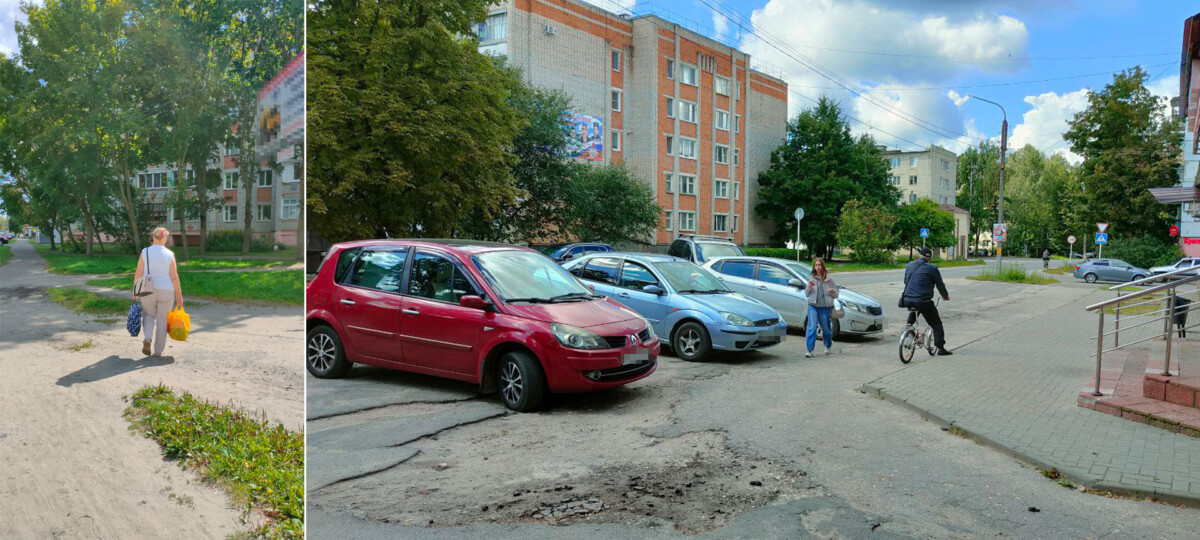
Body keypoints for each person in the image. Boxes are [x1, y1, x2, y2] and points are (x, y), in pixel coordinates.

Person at [132, 227, 184, 357]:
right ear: (165, 239)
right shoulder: (170, 254)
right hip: (166, 290)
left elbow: (138, 273)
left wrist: (135, 291)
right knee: (162, 319)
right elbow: (174, 277)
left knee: (148, 315)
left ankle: (148, 338)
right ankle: (158, 351)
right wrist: (179, 297)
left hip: (147, 289)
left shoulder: (145, 252)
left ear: (153, 238)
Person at [902, 247, 952, 356]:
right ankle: (941, 348)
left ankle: (908, 329)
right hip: (923, 300)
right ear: (929, 258)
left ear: (919, 256)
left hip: (907, 298)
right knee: (936, 323)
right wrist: (945, 296)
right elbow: (940, 284)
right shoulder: (932, 268)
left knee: (916, 308)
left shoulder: (910, 265)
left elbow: (905, 281)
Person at [804, 257, 838, 358]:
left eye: (819, 265)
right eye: (816, 265)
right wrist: (809, 287)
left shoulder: (829, 279)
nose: (818, 267)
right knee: (812, 327)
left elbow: (837, 295)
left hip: (825, 307)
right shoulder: (811, 278)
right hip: (813, 306)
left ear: (823, 266)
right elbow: (806, 293)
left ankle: (828, 345)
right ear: (814, 267)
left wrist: (833, 291)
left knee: (826, 329)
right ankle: (810, 350)